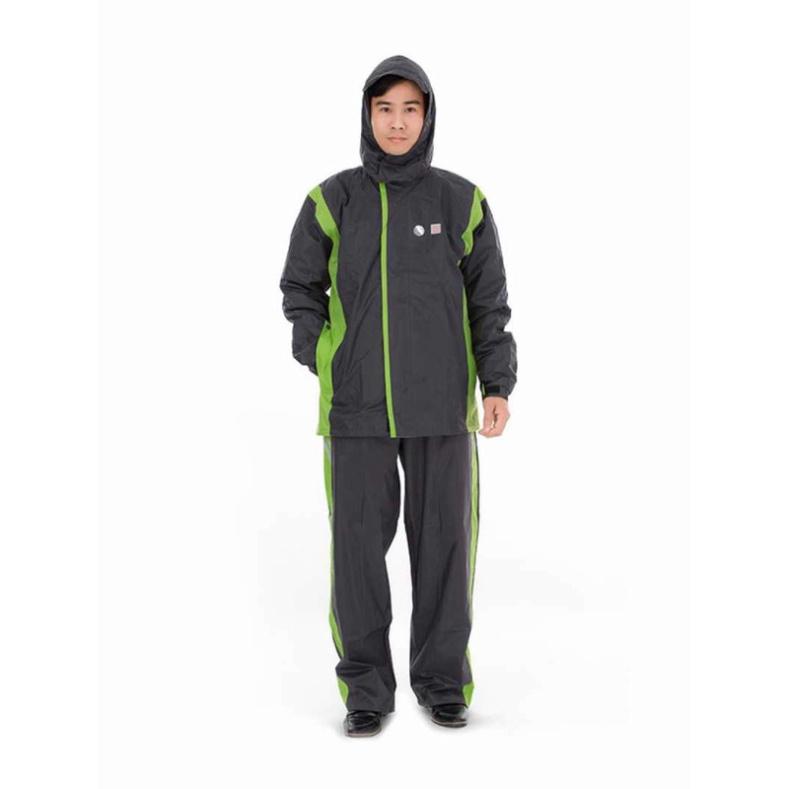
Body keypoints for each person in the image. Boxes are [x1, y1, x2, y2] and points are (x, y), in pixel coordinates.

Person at [279, 54, 517, 736]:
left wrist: (496, 383)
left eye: (410, 108)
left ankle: (442, 683)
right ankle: (365, 689)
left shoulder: (461, 201)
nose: (397, 122)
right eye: (385, 108)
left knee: (445, 546)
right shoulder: (332, 201)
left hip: (443, 407)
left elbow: (489, 302)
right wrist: (325, 355)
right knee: (356, 553)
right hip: (355, 409)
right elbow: (299, 290)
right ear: (367, 114)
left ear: (428, 116)